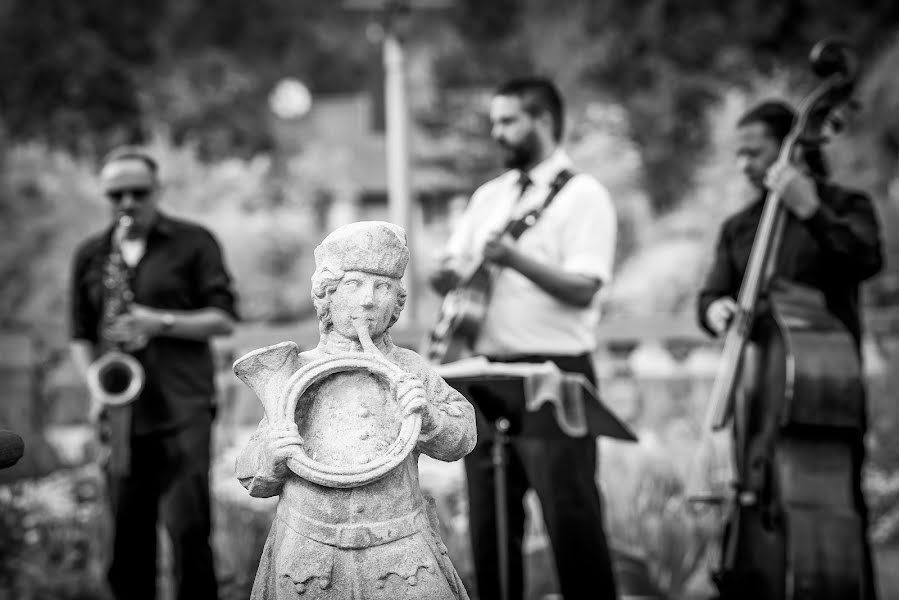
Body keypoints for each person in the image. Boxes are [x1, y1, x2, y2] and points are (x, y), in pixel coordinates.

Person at [430, 77, 619, 600]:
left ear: (543, 121)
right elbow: (453, 267)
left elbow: (585, 288)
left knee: (572, 519)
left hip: (553, 375)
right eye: (494, 122)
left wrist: (515, 259)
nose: (497, 132)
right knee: (489, 522)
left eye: (508, 121)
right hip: (484, 372)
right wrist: (442, 277)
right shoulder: (488, 197)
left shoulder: (584, 196)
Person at [697, 100, 883, 599]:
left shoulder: (844, 206)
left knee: (838, 515)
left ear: (789, 149)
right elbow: (711, 296)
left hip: (825, 399)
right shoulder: (739, 227)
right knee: (754, 500)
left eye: (754, 153)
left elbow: (866, 258)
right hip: (757, 403)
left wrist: (810, 209)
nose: (744, 166)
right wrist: (715, 311)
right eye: (738, 155)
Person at [234, 220, 476, 599]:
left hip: (399, 552)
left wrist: (427, 414)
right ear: (326, 297)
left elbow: (462, 438)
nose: (368, 300)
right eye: (353, 285)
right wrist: (271, 454)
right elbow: (250, 476)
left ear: (397, 301)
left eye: (382, 287)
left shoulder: (409, 367)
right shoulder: (295, 373)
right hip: (309, 554)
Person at [70, 146, 238, 600]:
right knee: (126, 540)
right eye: (115, 194)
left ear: (158, 190)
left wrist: (158, 322)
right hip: (123, 415)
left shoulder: (195, 242)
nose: (127, 202)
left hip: (183, 407)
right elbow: (81, 334)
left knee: (189, 531)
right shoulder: (92, 255)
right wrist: (96, 387)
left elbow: (223, 318)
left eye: (137, 192)